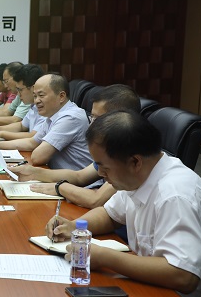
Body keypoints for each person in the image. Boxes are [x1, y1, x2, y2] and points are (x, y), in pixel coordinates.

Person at [46, 110, 201, 297]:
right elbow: (110, 214)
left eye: (104, 167)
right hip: (148, 292)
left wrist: (106, 257)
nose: (100, 174)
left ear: (135, 162)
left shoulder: (176, 194)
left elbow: (183, 275)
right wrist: (74, 226)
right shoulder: (137, 176)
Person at [12, 84, 141, 209]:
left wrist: (59, 187)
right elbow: (79, 177)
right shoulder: (110, 148)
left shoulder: (128, 154)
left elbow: (95, 199)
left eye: (98, 119)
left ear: (121, 118)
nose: (91, 125)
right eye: (92, 118)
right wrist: (33, 173)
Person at [0, 73, 92, 170]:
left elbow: (38, 157)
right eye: (35, 96)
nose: (36, 101)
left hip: (74, 179)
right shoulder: (53, 114)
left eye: (41, 95)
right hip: (55, 174)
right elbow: (31, 143)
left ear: (61, 96)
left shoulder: (70, 118)